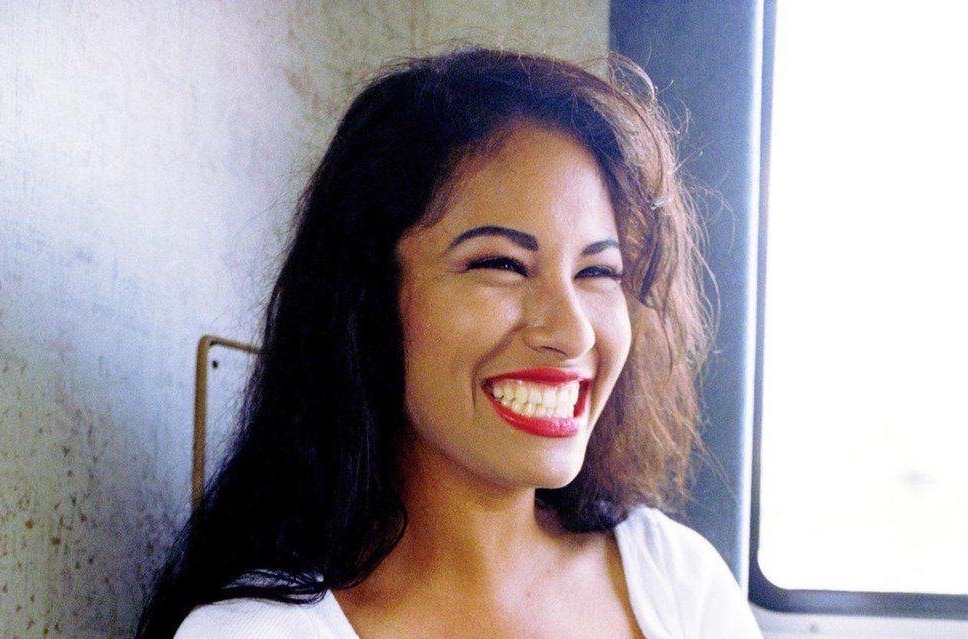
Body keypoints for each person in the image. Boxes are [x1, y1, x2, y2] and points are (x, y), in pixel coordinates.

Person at [134, 47, 763, 638]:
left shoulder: (680, 583)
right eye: (501, 264)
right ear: (368, 299)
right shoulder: (257, 631)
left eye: (598, 272)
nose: (572, 332)